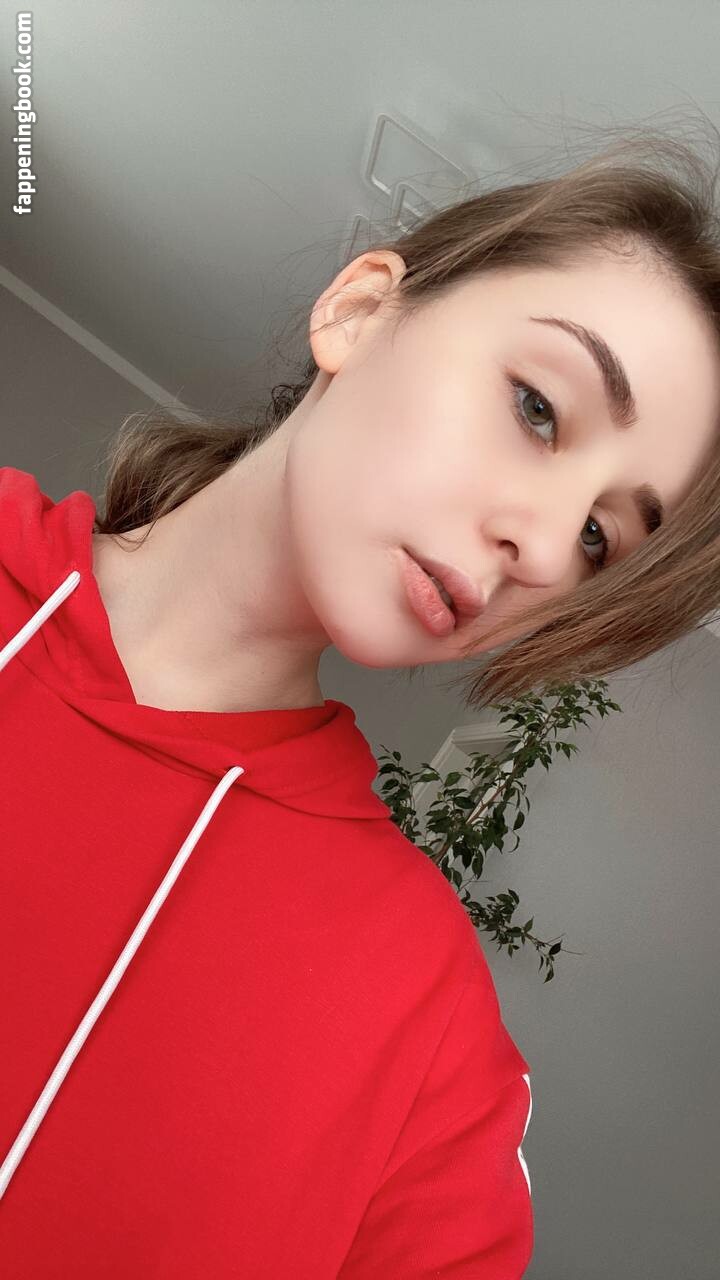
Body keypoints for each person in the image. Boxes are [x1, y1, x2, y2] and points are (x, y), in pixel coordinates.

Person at [2, 133, 720, 1278]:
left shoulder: (432, 1036)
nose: (544, 547)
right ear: (360, 311)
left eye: (598, 536)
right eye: (539, 407)